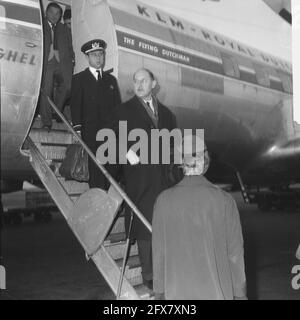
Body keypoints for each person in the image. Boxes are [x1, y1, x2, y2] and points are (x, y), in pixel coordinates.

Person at [152, 134, 247, 300]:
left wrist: (159, 292)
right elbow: (235, 255)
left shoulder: (162, 201)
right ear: (205, 161)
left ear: (181, 163)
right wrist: (240, 294)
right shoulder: (225, 201)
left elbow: (159, 253)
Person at [115, 68, 177, 290]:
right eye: (135, 81)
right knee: (143, 225)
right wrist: (129, 155)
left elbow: (172, 145)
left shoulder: (168, 115)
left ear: (154, 83)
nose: (138, 84)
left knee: (163, 224)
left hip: (164, 179)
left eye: (143, 80)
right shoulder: (124, 110)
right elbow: (113, 138)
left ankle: (165, 269)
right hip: (140, 178)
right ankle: (148, 274)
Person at [70, 39, 121, 190]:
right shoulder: (79, 79)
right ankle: (98, 203)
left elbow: (117, 108)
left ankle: (109, 201)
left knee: (112, 169)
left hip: (110, 133)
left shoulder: (111, 80)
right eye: (94, 55)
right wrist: (77, 129)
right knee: (96, 171)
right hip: (90, 134)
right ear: (87, 58)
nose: (98, 58)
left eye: (101, 54)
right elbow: (75, 105)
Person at [39, 2, 74, 129]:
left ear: (60, 16)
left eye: (57, 13)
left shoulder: (64, 28)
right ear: (46, 12)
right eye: (51, 12)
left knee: (68, 86)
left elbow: (71, 47)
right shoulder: (40, 24)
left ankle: (56, 111)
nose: (54, 15)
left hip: (62, 63)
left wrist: (71, 59)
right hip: (46, 63)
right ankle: (47, 122)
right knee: (46, 90)